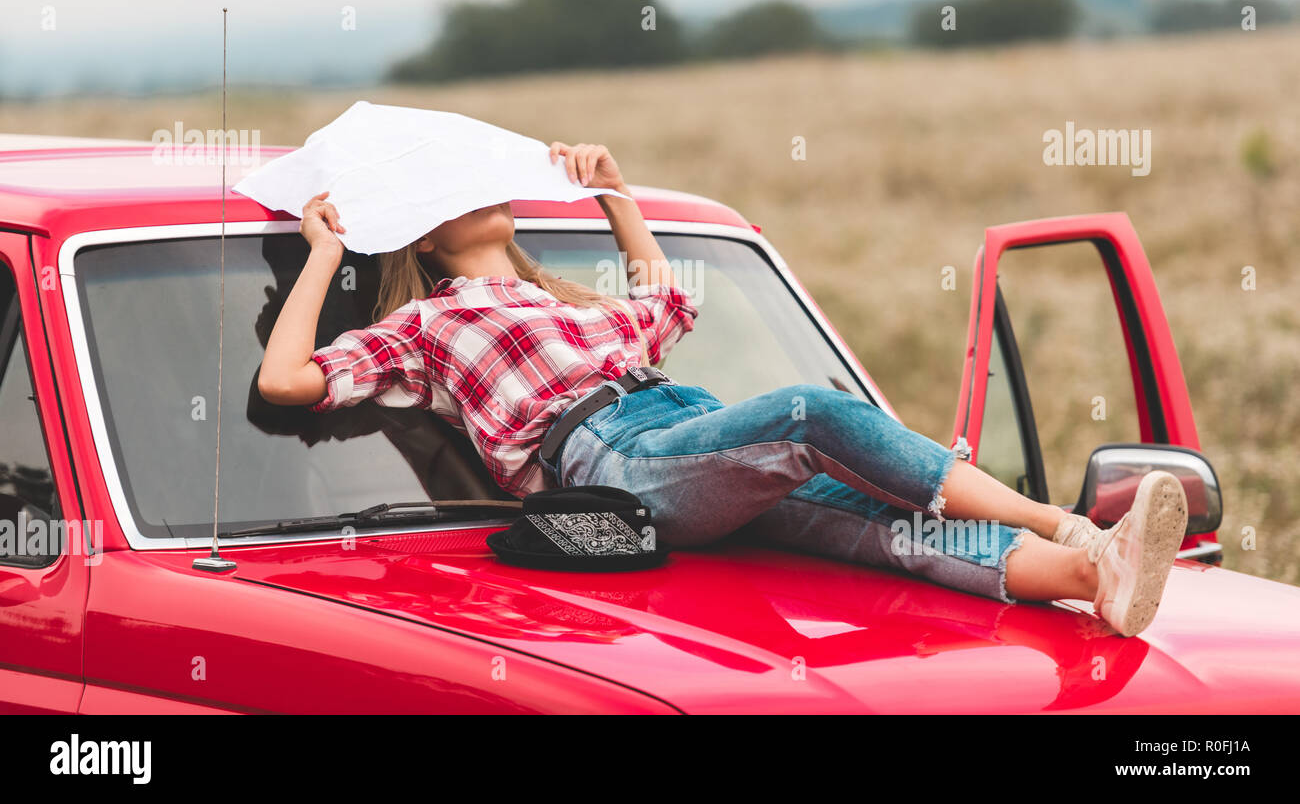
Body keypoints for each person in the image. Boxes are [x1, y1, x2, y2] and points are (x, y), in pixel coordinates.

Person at [257, 140, 1188, 637]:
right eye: (446, 192)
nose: (476, 190)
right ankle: (1064, 523)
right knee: (808, 414)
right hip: (609, 461)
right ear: (421, 236)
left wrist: (615, 194)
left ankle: (1088, 577)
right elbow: (289, 378)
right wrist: (328, 253)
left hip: (686, 432)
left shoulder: (567, 303)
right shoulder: (432, 322)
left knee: (882, 527)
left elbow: (667, 303)